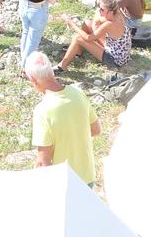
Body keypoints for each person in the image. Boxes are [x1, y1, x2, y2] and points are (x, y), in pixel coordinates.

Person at [25, 51, 101, 185]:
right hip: (88, 176)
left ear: (32, 80)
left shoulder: (42, 111)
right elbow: (96, 130)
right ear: (51, 71)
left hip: (65, 182)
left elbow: (43, 163)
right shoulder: (78, 93)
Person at [57, 0, 130, 71]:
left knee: (78, 38)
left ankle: (62, 66)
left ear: (110, 12)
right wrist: (96, 21)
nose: (99, 11)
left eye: (102, 9)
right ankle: (78, 51)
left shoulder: (109, 24)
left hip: (115, 60)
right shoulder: (117, 15)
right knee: (87, 23)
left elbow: (88, 38)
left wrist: (71, 23)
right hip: (118, 50)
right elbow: (99, 20)